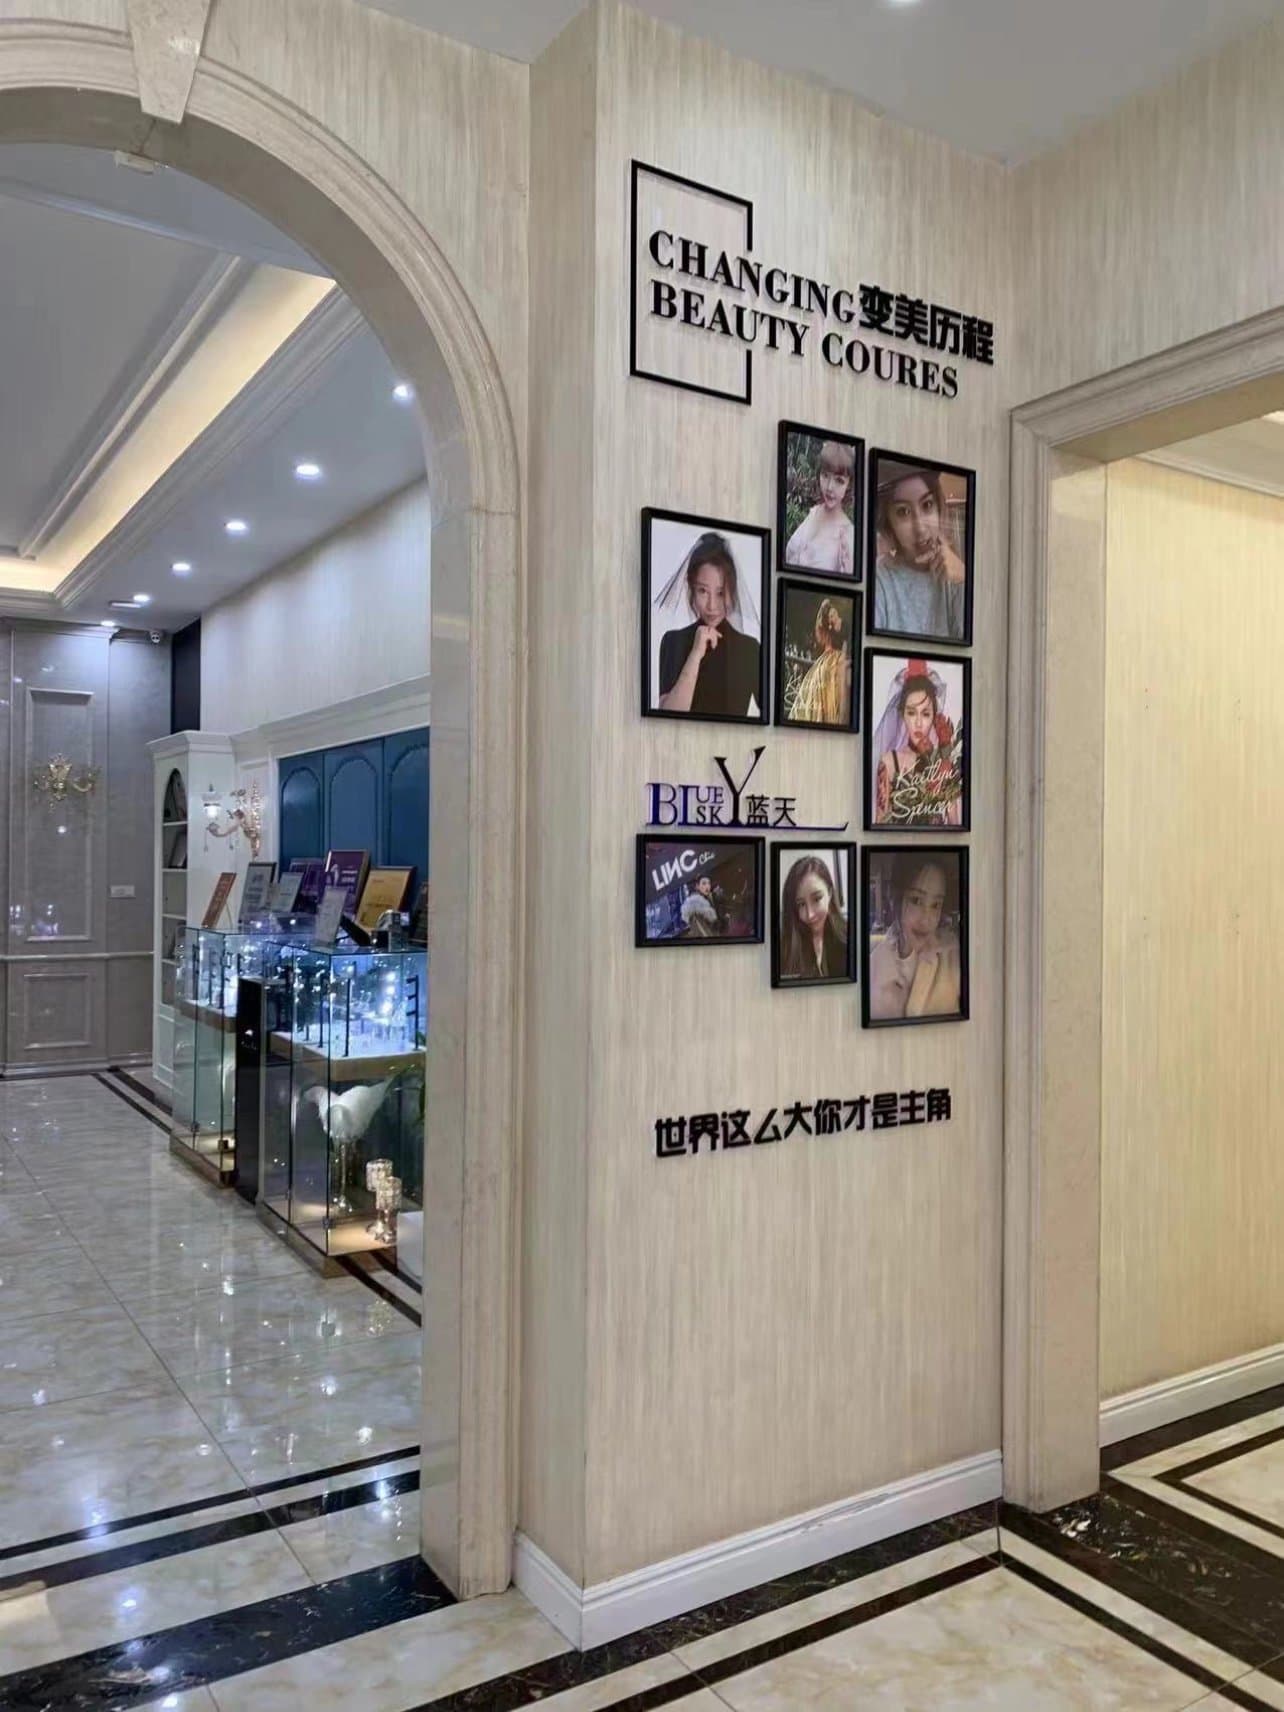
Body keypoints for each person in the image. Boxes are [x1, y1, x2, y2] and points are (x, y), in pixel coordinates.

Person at [657, 532, 762, 718]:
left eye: (720, 593)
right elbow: (667, 718)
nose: (712, 606)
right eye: (703, 591)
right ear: (691, 587)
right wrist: (695, 654)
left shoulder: (750, 649)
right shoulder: (673, 641)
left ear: (732, 590)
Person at [872, 466, 967, 641]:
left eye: (927, 505)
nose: (920, 528)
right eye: (903, 512)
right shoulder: (879, 579)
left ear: (939, 508)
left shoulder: (956, 574)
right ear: (888, 523)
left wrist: (964, 580)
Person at [868, 855, 963, 1021]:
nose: (926, 920)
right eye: (916, 900)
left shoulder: (955, 955)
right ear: (895, 898)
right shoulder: (874, 965)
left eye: (936, 905)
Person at [872, 660, 962, 827]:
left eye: (926, 714)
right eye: (912, 713)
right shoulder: (889, 762)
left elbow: (955, 826)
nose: (918, 723)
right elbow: (879, 824)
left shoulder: (943, 765)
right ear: (902, 715)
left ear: (934, 716)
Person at [785, 440, 855, 576]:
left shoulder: (847, 536)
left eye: (839, 480)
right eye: (825, 475)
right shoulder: (814, 512)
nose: (829, 487)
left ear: (849, 484)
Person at [779, 854, 848, 980]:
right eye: (801, 904)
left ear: (830, 893)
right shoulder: (785, 948)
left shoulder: (849, 938)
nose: (810, 915)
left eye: (817, 899)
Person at [789, 597, 852, 727]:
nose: (836, 617)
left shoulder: (843, 629)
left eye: (836, 614)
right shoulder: (833, 655)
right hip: (832, 660)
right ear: (828, 622)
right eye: (832, 615)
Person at [680, 873, 721, 938]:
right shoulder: (696, 906)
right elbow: (704, 933)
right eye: (704, 883)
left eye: (709, 883)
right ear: (697, 886)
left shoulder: (708, 900)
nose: (707, 886)